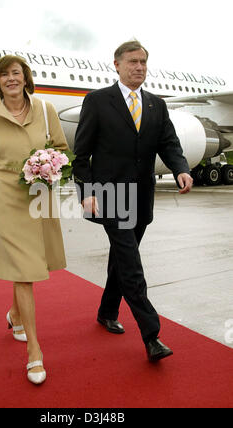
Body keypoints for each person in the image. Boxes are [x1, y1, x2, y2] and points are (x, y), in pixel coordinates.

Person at [73, 41, 193, 362]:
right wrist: (87, 194)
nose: (138, 67)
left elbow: (169, 143)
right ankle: (151, 335)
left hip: (142, 197)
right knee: (131, 263)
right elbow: (81, 156)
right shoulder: (98, 101)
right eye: (132, 61)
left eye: (143, 62)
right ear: (116, 64)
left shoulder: (156, 104)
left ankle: (106, 311)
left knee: (122, 259)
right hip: (110, 197)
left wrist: (180, 169)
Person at [0, 55, 69, 384]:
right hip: (6, 197)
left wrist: (47, 163)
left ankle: (14, 316)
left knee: (30, 266)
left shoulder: (45, 110)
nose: (11, 79)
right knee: (24, 270)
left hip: (38, 196)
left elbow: (61, 148)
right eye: (4, 74)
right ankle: (34, 351)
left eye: (16, 73)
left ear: (26, 78)